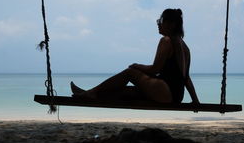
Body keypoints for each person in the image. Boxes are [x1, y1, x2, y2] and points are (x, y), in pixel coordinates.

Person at [70, 8, 200, 104]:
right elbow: (186, 78)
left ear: (171, 24)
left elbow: (155, 69)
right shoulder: (185, 47)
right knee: (126, 92)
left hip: (165, 91)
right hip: (176, 96)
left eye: (161, 20)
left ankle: (92, 92)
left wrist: (137, 66)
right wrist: (195, 101)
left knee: (130, 72)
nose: (158, 23)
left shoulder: (167, 40)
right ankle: (88, 93)